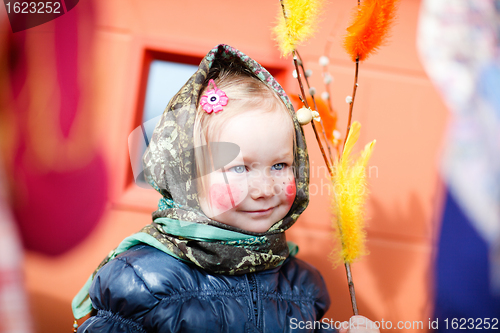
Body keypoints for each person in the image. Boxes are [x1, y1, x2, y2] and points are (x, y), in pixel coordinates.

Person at [73, 44, 379, 333]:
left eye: (280, 166)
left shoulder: (302, 285)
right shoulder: (143, 281)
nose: (263, 189)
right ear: (188, 179)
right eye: (239, 168)